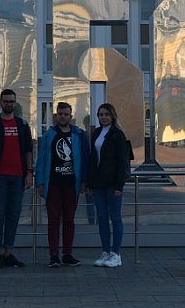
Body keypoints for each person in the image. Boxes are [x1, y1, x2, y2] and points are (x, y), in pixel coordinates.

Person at [0, 88, 33, 268]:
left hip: (18, 177)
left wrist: (29, 172)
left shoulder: (22, 124)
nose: (9, 104)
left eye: (11, 101)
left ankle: (8, 252)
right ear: (0, 102)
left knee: (13, 215)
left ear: (15, 103)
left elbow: (28, 150)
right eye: (6, 101)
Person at [36, 101, 89, 267]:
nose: (63, 117)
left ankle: (67, 253)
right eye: (60, 114)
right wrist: (40, 182)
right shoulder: (48, 135)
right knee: (53, 219)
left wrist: (83, 181)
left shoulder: (79, 135)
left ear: (70, 115)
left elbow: (85, 159)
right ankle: (53, 254)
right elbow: (42, 159)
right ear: (56, 115)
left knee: (69, 220)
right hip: (53, 184)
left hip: (71, 184)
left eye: (66, 114)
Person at [87, 102, 127, 268]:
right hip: (98, 183)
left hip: (112, 183)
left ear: (112, 116)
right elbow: (92, 160)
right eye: (101, 115)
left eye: (106, 115)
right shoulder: (96, 133)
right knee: (102, 218)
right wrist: (90, 182)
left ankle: (116, 253)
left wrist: (119, 185)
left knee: (115, 217)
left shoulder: (118, 135)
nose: (103, 117)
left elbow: (121, 162)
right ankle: (105, 251)